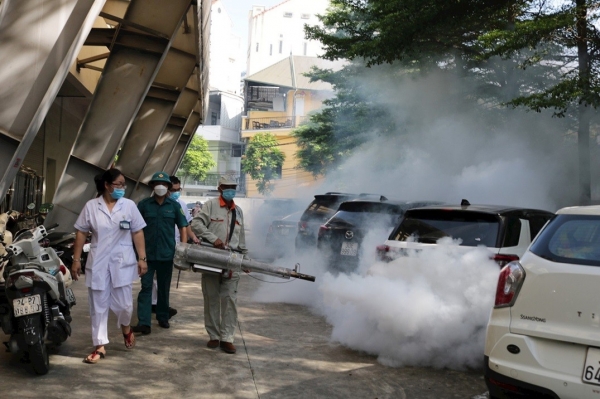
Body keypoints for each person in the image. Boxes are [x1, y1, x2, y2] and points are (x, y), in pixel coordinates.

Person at [71, 168, 148, 364]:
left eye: (124, 185)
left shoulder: (129, 206)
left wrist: (142, 258)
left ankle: (126, 328)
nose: (122, 188)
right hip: (98, 262)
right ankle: (99, 345)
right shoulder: (91, 206)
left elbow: (137, 232)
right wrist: (76, 259)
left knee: (124, 305)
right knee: (98, 305)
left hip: (122, 262)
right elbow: (81, 232)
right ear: (107, 185)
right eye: (118, 185)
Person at [191, 175, 248, 354]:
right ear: (220, 188)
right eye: (227, 186)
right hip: (212, 259)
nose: (231, 189)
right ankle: (214, 336)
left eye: (233, 187)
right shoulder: (210, 206)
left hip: (232, 261)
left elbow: (242, 239)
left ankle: (227, 338)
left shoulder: (238, 211)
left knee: (230, 300)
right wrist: (213, 239)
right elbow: (196, 224)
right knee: (211, 298)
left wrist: (245, 259)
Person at [133, 171, 188, 334]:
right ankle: (144, 322)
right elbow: (136, 229)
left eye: (164, 184)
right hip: (147, 256)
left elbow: (183, 225)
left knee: (164, 288)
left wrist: (183, 248)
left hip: (167, 254)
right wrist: (139, 255)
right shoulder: (143, 205)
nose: (161, 187)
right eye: (158, 184)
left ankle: (163, 317)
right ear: (152, 186)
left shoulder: (174, 206)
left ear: (169, 188)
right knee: (146, 287)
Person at [150, 175, 200, 317]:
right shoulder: (149, 204)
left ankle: (160, 305)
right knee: (153, 278)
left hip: (172, 246)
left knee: (164, 279)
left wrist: (193, 238)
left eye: (178, 189)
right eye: (173, 190)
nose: (176, 192)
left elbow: (185, 225)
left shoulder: (179, 205)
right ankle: (154, 304)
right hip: (155, 246)